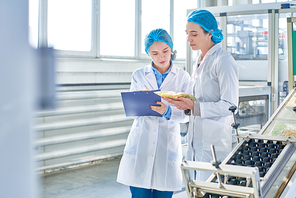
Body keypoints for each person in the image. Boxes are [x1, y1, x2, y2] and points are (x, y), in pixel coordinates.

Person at [163, 9, 239, 181]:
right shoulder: (200, 60)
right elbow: (198, 98)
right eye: (187, 33)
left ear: (209, 34)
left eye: (194, 34)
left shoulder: (223, 60)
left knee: (211, 188)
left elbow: (230, 104)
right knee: (197, 188)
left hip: (214, 143)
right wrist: (183, 102)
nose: (188, 39)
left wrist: (194, 107)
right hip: (196, 141)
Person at [117, 28, 191, 198]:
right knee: (139, 194)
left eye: (165, 51)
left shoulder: (183, 77)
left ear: (171, 49)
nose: (161, 57)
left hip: (167, 145)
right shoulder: (139, 75)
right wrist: (142, 100)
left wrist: (168, 111)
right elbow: (134, 113)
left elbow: (186, 114)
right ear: (148, 54)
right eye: (155, 53)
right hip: (141, 142)